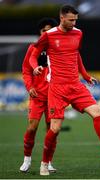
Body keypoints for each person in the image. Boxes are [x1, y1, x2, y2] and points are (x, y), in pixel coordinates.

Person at [29, 5, 100, 176]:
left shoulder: (78, 33)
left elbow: (76, 55)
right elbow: (33, 54)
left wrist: (86, 75)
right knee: (54, 128)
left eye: (76, 19)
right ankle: (44, 163)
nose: (74, 22)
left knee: (98, 111)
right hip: (57, 87)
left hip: (75, 85)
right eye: (70, 20)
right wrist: (35, 67)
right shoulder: (49, 35)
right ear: (62, 18)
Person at [20, 17, 58, 173]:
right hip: (37, 95)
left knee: (53, 130)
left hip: (55, 96)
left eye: (50, 30)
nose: (47, 32)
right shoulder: (33, 48)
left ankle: (48, 162)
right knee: (32, 127)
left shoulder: (59, 49)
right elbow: (26, 70)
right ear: (40, 32)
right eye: (44, 30)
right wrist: (29, 87)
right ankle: (27, 159)